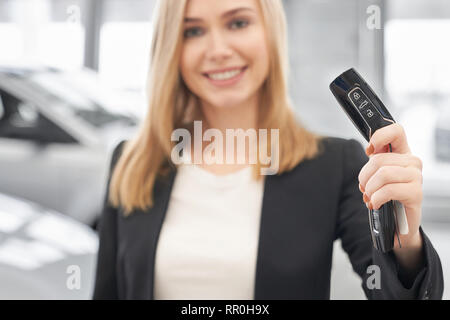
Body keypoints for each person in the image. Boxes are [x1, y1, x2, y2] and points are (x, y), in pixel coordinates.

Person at [93, 0, 443, 300]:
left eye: (238, 22)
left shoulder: (333, 165)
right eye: (193, 31)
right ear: (171, 47)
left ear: (271, 33)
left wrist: (405, 238)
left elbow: (396, 292)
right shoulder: (132, 163)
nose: (218, 50)